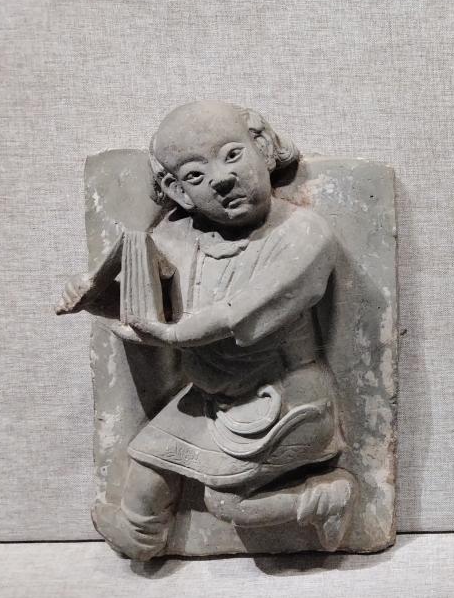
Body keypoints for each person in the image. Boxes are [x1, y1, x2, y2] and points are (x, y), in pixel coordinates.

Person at [58, 101, 355, 560]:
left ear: (263, 149)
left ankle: (323, 499)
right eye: (195, 176)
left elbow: (239, 313)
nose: (220, 179)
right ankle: (142, 538)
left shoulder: (304, 233)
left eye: (232, 155)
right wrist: (93, 297)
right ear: (178, 192)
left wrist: (171, 336)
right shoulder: (178, 237)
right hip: (211, 399)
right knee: (145, 466)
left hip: (284, 404)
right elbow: (147, 313)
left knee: (225, 503)